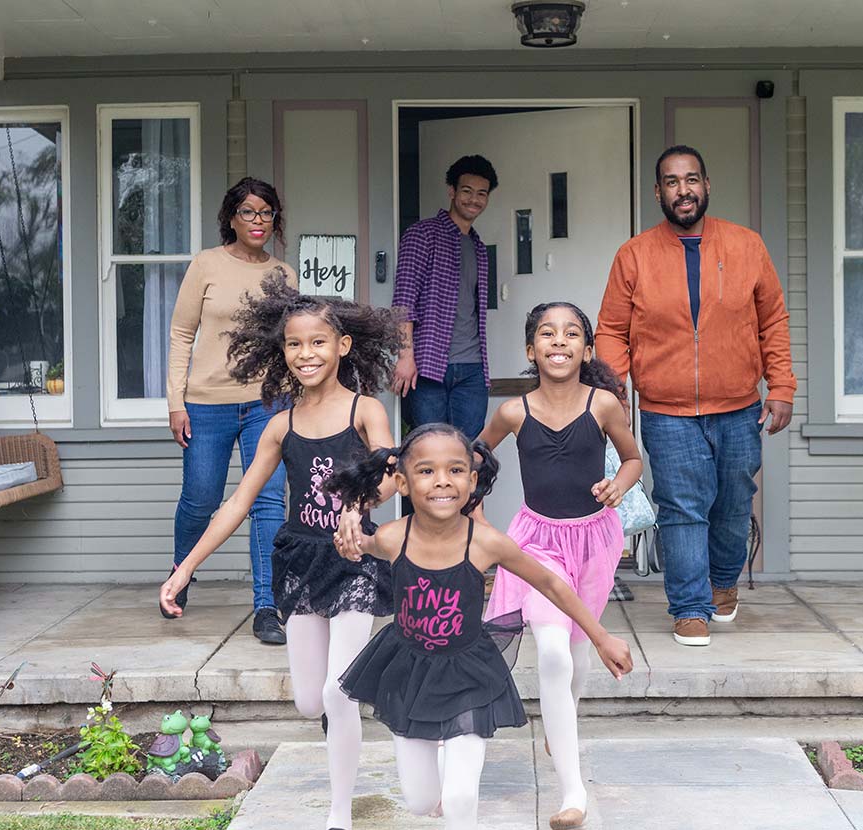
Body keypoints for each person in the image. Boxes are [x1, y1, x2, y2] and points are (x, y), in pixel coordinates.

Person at [160, 276, 402, 830]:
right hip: (299, 560)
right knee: (308, 703)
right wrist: (184, 569)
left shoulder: (365, 411)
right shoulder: (279, 425)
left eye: (318, 342)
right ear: (282, 351)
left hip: (356, 558)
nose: (306, 353)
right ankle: (343, 706)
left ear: (342, 346)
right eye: (295, 344)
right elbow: (235, 506)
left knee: (340, 692)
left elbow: (393, 473)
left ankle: (339, 812)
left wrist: (358, 505)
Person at [327, 423, 633, 830]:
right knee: (420, 802)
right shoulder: (391, 537)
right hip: (409, 673)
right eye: (426, 471)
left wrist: (601, 636)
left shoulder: (487, 542)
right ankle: (434, 764)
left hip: (468, 676)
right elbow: (357, 542)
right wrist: (348, 534)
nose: (442, 482)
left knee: (459, 799)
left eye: (455, 470)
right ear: (401, 482)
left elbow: (549, 583)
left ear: (472, 480)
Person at [596, 145, 796, 647]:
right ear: (658, 192)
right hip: (667, 410)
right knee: (682, 506)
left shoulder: (747, 245)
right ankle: (688, 606)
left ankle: (723, 583)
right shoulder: (635, 255)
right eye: (670, 182)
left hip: (739, 405)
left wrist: (783, 386)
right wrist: (613, 394)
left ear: (706, 185)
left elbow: (773, 320)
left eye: (690, 180)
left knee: (733, 503)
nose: (681, 191)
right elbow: (611, 332)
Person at [476, 302, 642, 829]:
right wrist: (479, 526)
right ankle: (573, 793)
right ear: (531, 351)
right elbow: (474, 460)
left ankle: (559, 721)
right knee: (551, 649)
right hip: (536, 542)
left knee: (575, 651)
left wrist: (618, 485)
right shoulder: (513, 412)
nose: (559, 341)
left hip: (595, 541)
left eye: (572, 334)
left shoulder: (604, 405)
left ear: (587, 350)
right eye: (547, 334)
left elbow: (633, 458)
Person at [164, 177, 294, 645]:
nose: (258, 221)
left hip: (268, 402)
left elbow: (291, 344)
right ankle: (180, 575)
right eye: (248, 212)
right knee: (200, 499)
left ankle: (266, 606)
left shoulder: (283, 274)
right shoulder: (206, 265)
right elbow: (181, 334)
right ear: (231, 218)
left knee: (267, 502)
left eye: (266, 212)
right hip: (206, 404)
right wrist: (176, 401)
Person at [390, 155, 498, 440]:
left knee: (468, 452)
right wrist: (405, 356)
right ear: (452, 191)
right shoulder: (421, 234)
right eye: (466, 190)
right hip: (428, 365)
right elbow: (403, 302)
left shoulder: (478, 246)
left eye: (481, 193)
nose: (473, 199)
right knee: (428, 447)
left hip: (473, 366)